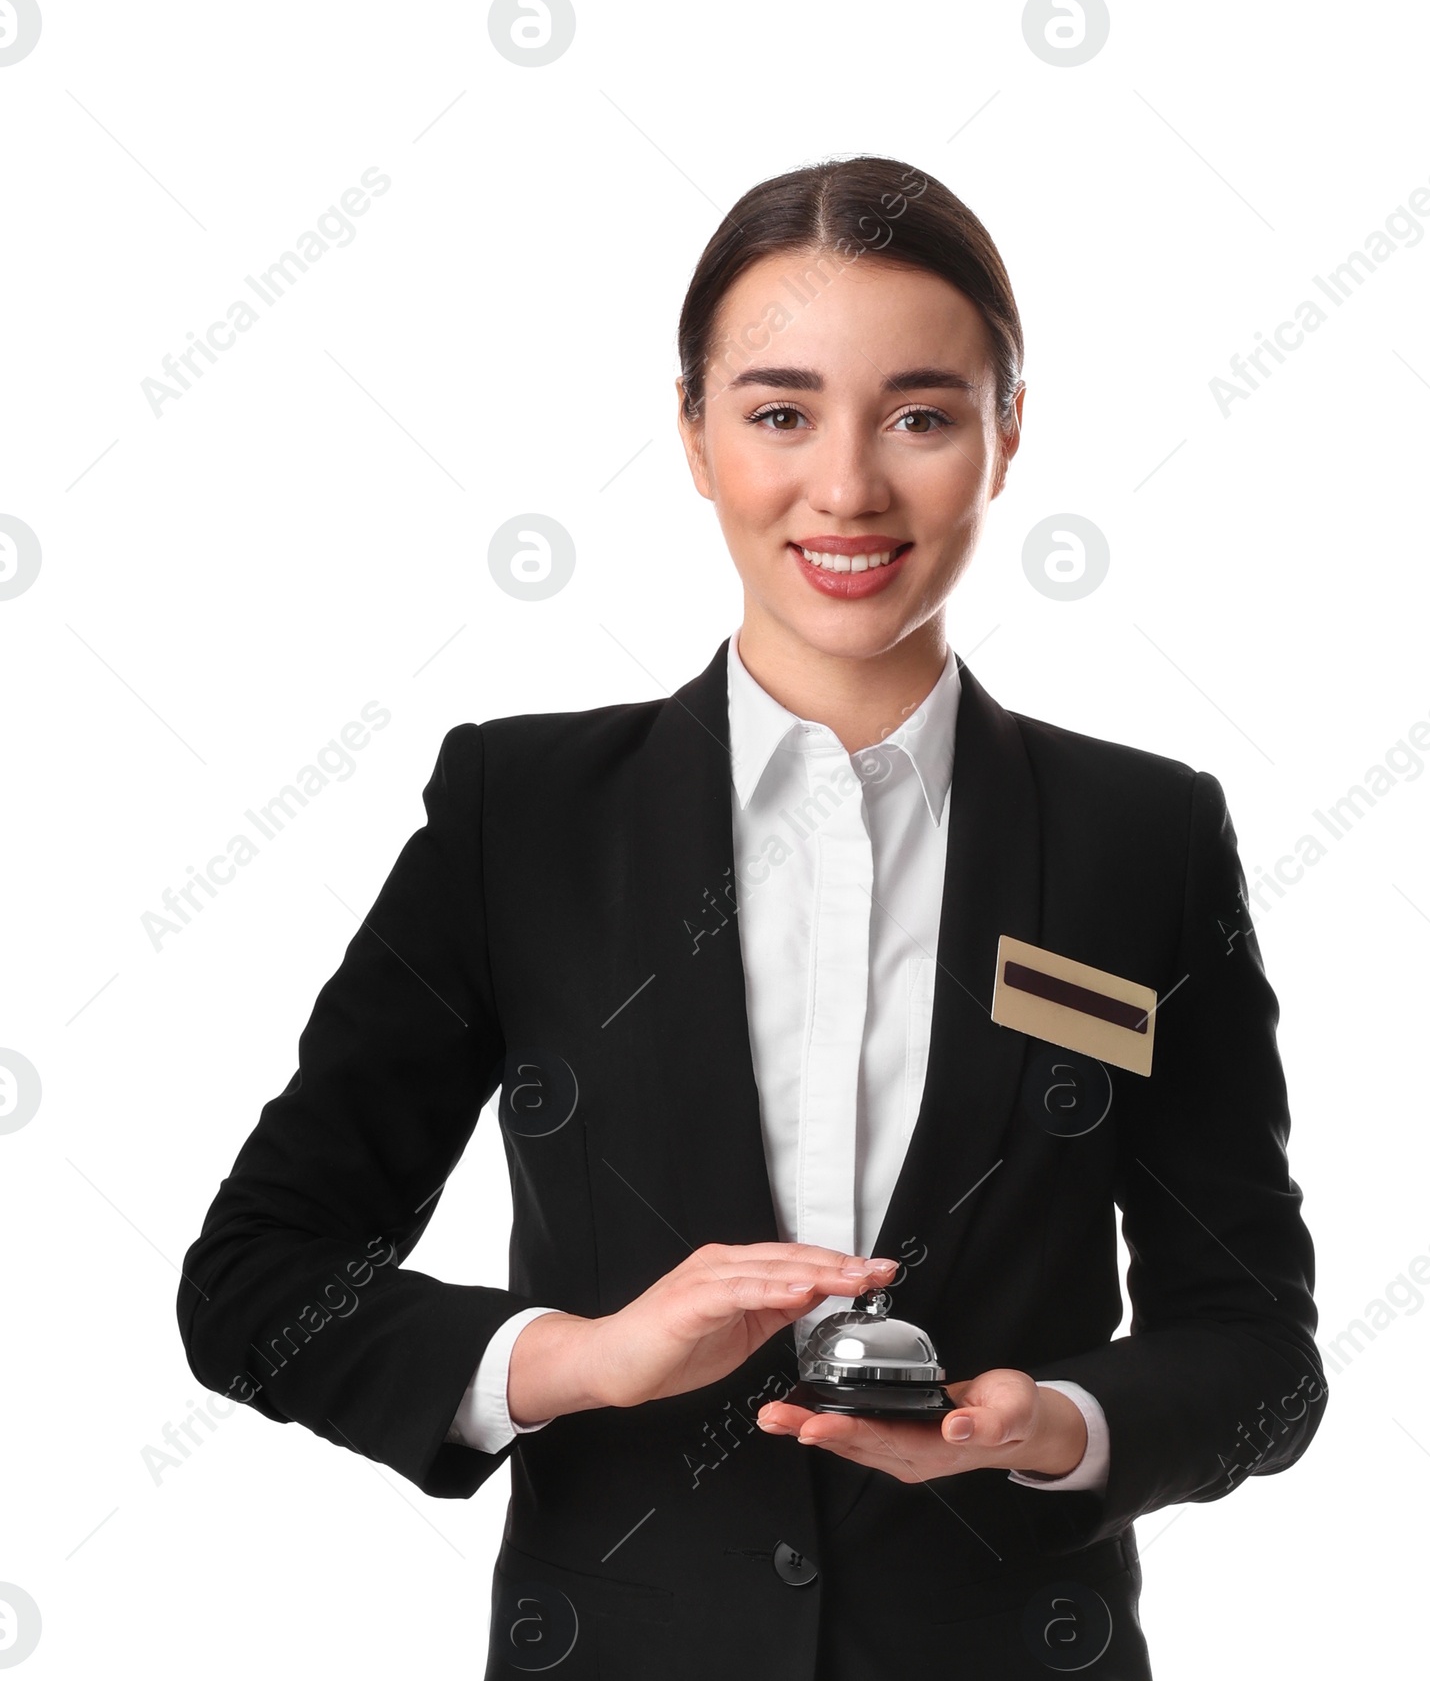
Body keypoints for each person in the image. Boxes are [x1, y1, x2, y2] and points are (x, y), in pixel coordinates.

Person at [177, 154, 1326, 1680]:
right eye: (780, 412)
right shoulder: (520, 817)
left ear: (1007, 433)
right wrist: (573, 1362)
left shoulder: (1143, 841)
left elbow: (1259, 1355)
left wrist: (1051, 1427)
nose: (846, 487)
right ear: (695, 435)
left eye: (919, 414)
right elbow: (258, 1279)